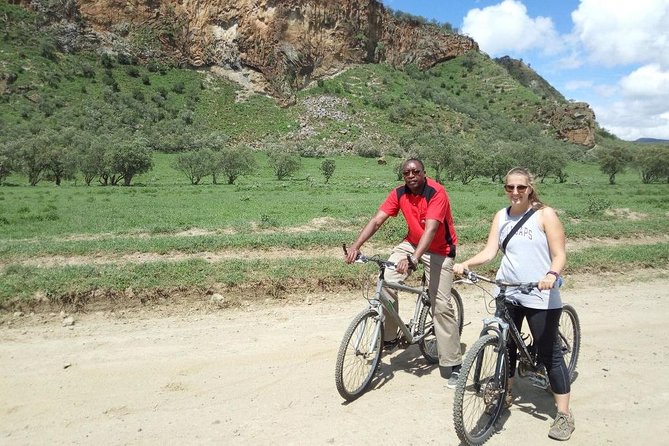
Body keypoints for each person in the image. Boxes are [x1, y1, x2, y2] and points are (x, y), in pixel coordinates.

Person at [453, 167, 574, 441]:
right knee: (505, 346)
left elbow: (559, 254)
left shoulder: (546, 215)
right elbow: (490, 251)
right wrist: (467, 264)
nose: (515, 192)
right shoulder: (501, 216)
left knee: (549, 354)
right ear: (505, 189)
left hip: (540, 293)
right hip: (507, 290)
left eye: (521, 187)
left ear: (530, 187)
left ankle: (564, 414)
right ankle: (504, 392)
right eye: (510, 188)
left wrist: (551, 275)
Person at [344, 158, 462, 388]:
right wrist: (356, 246)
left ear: (423, 173)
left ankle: (454, 363)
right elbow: (377, 220)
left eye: (415, 171)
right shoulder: (399, 194)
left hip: (439, 250)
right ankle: (390, 338)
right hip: (411, 243)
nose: (411, 175)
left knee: (440, 306)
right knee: (387, 280)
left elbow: (432, 229)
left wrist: (414, 259)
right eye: (406, 172)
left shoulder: (436, 192)